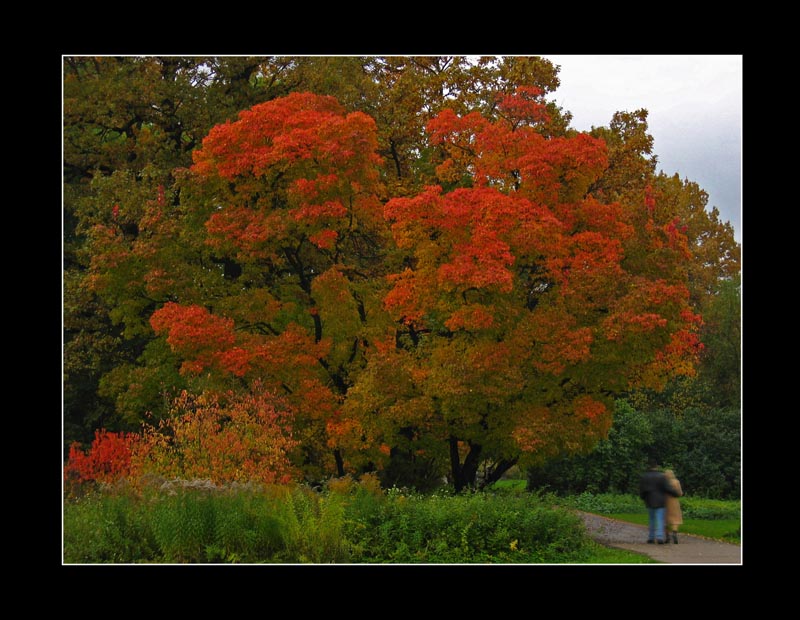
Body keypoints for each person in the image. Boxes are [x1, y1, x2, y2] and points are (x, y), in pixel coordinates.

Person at [639, 459, 678, 544]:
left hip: (649, 501)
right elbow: (667, 488)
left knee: (652, 519)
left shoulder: (645, 476)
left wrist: (643, 498)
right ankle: (660, 537)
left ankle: (651, 537)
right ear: (657, 466)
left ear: (649, 466)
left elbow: (642, 490)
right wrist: (675, 493)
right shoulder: (662, 476)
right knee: (660, 519)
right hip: (660, 501)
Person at [664, 469, 683, 544]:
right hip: (674, 502)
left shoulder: (664, 482)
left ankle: (667, 536)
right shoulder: (676, 482)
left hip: (665, 502)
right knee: (675, 519)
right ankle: (674, 533)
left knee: (665, 520)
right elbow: (680, 493)